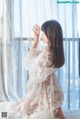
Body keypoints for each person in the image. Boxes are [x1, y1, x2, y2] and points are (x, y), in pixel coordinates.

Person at [7, 20, 65, 119]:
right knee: (30, 106)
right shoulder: (51, 50)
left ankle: (58, 112)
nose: (42, 35)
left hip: (43, 86)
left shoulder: (48, 53)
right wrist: (36, 39)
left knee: (21, 110)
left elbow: (35, 69)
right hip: (48, 84)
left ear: (50, 35)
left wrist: (36, 43)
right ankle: (59, 112)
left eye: (44, 33)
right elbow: (33, 59)